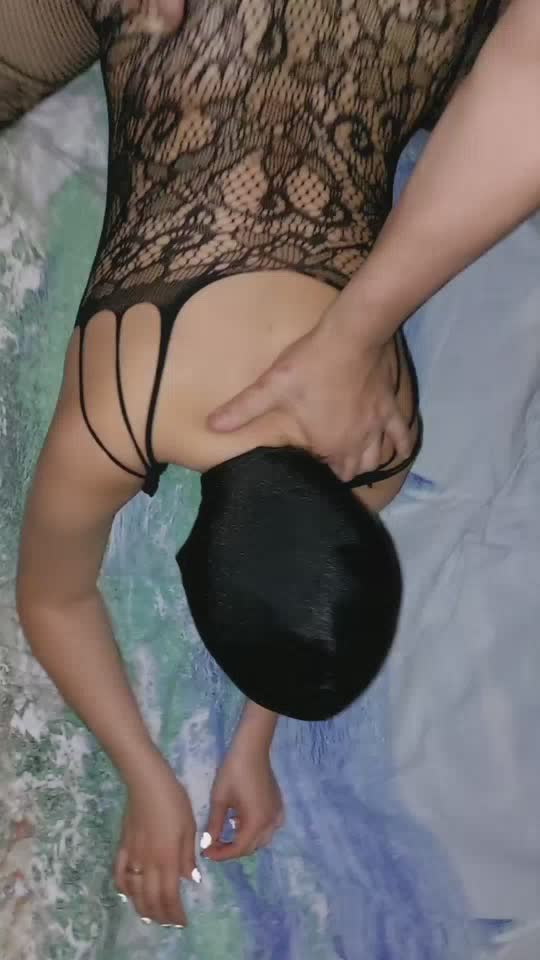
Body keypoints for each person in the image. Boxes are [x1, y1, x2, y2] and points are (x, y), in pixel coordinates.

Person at [4, 0, 506, 932]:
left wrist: (253, 738)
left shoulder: (379, 443)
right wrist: (149, 778)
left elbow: (315, 569)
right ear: (190, 542)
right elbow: (51, 600)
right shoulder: (117, 411)